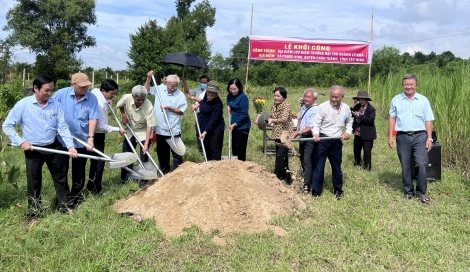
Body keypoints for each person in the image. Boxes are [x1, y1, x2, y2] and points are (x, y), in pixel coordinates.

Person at [2, 75, 78, 222]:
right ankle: (34, 213)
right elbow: (7, 125)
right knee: (34, 182)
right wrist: (20, 141)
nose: (50, 93)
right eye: (46, 90)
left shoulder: (55, 104)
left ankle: (65, 206)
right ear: (35, 88)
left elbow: (62, 127)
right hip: (33, 149)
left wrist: (70, 146)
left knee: (61, 178)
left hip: (53, 145)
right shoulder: (23, 105)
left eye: (52, 90)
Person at [388, 74, 435, 204]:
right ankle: (408, 191)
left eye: (411, 84)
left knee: (421, 163)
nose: (409, 86)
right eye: (406, 84)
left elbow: (428, 120)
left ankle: (421, 192)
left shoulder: (423, 100)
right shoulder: (396, 100)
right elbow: (392, 119)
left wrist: (429, 138)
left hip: (420, 136)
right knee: (405, 164)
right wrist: (390, 136)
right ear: (402, 85)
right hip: (402, 136)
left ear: (416, 85)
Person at [53, 72, 99, 205]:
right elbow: (51, 110)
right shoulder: (61, 95)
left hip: (81, 140)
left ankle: (77, 198)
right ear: (72, 85)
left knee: (79, 171)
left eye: (86, 86)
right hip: (61, 140)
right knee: (61, 170)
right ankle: (63, 199)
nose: (85, 89)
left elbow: (93, 118)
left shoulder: (92, 98)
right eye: (82, 87)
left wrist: (90, 138)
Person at [312, 85, 353, 200]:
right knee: (319, 167)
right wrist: (315, 133)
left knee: (336, 167)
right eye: (331, 97)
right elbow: (316, 123)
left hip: (336, 142)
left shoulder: (346, 108)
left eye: (336, 97)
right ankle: (316, 192)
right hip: (322, 141)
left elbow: (349, 122)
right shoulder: (322, 107)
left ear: (342, 97)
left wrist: (348, 132)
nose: (333, 100)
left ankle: (338, 190)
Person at [87, 79, 126, 194]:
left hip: (88, 132)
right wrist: (117, 129)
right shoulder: (99, 104)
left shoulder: (96, 92)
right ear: (103, 90)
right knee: (99, 161)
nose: (113, 96)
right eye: (111, 94)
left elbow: (94, 89)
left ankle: (90, 185)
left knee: (94, 161)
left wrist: (107, 99)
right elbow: (101, 126)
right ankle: (96, 189)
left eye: (115, 93)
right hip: (96, 134)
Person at [144, 72, 187, 174]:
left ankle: (178, 173)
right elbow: (146, 90)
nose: (173, 88)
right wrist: (148, 78)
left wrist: (171, 108)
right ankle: (165, 174)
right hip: (160, 129)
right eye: (171, 86)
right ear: (166, 83)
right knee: (162, 154)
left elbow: (182, 111)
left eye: (175, 86)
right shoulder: (159, 89)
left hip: (173, 129)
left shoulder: (180, 95)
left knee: (177, 153)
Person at [116, 85, 157, 186]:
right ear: (133, 96)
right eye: (138, 99)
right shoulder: (127, 98)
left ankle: (143, 179)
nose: (140, 101)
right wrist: (123, 114)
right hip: (131, 129)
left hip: (143, 131)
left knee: (144, 155)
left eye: (142, 99)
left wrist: (146, 144)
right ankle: (125, 179)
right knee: (127, 154)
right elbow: (120, 105)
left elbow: (149, 126)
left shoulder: (148, 105)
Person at [291, 88, 318, 193]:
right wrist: (298, 127)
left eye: (308, 97)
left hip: (310, 137)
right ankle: (307, 178)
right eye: (305, 96)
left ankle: (306, 185)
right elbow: (300, 118)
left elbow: (311, 126)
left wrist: (298, 132)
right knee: (302, 157)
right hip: (302, 136)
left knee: (307, 160)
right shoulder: (304, 107)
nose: (306, 99)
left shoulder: (315, 110)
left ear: (314, 99)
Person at [192, 80, 225, 160]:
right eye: (209, 92)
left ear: (216, 93)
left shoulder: (218, 104)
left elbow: (213, 120)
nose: (210, 94)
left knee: (214, 150)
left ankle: (215, 168)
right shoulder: (206, 97)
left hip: (215, 130)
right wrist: (198, 105)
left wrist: (205, 132)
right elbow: (203, 103)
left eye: (213, 93)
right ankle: (207, 167)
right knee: (206, 150)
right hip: (204, 127)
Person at [268, 87, 293, 184]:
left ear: (283, 97)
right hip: (276, 133)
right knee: (283, 157)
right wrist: (268, 120)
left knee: (279, 155)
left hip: (285, 134)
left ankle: (275, 177)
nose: (276, 98)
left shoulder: (286, 105)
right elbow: (271, 116)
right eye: (275, 95)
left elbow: (284, 118)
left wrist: (273, 120)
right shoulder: (273, 105)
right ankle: (287, 177)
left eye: (278, 96)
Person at [183, 75, 210, 153]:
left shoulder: (209, 91)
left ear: (208, 83)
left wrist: (192, 98)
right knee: (198, 131)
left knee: (205, 131)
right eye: (201, 82)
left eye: (204, 82)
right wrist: (184, 83)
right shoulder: (197, 90)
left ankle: (206, 148)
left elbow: (204, 100)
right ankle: (200, 149)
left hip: (206, 114)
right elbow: (187, 92)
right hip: (199, 114)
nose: (203, 84)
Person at [350, 90, 377, 171]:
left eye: (363, 99)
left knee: (367, 151)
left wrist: (360, 115)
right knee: (356, 149)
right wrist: (353, 106)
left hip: (367, 134)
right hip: (358, 132)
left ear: (366, 100)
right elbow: (350, 114)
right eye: (359, 99)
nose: (361, 101)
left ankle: (367, 167)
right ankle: (357, 163)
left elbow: (370, 120)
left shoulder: (371, 109)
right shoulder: (357, 106)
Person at [226, 78, 251, 161]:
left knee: (240, 147)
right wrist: (228, 106)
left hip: (242, 126)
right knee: (234, 146)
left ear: (239, 88)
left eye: (235, 89)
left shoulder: (243, 97)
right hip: (233, 125)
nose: (233, 91)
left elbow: (244, 113)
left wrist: (235, 124)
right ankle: (235, 164)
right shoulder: (230, 95)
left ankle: (241, 164)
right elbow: (228, 101)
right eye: (231, 89)